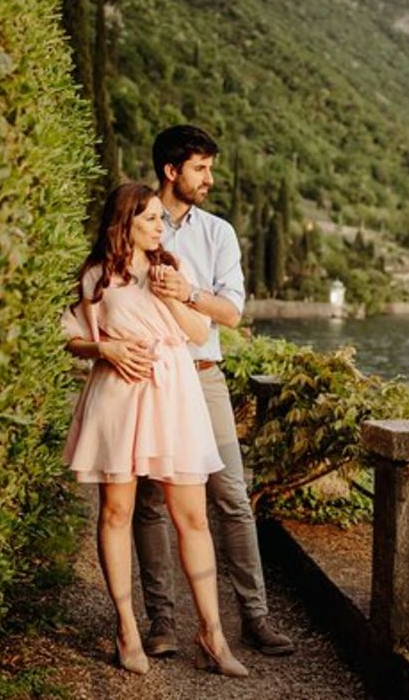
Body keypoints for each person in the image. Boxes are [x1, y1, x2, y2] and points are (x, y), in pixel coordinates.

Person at [62, 182, 249, 677]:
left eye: (158, 219)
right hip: (119, 396)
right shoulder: (95, 276)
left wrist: (175, 297)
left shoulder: (170, 270)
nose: (158, 227)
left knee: (191, 516)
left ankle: (212, 633)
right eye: (148, 219)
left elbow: (196, 334)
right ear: (123, 224)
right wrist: (106, 350)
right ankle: (126, 628)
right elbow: (71, 337)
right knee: (118, 510)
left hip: (173, 394)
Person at [134, 124, 297, 658]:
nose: (210, 178)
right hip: (151, 376)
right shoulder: (135, 221)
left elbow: (231, 311)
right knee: (151, 500)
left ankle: (255, 618)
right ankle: (162, 622)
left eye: (211, 167)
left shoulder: (218, 233)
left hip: (203, 373)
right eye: (201, 168)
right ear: (171, 171)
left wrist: (190, 293)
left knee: (230, 493)